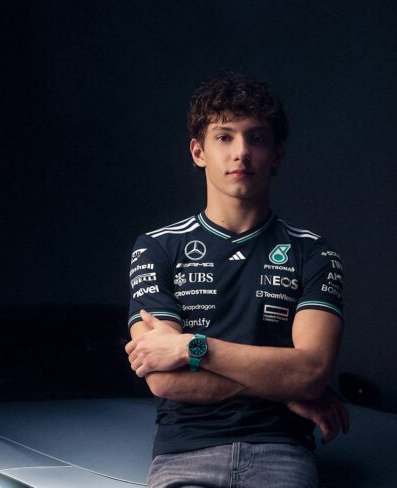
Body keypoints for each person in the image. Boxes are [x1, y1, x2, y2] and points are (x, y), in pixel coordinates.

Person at [125, 72, 348, 488]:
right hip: (184, 456)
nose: (241, 152)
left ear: (276, 154)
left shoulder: (313, 252)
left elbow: (312, 371)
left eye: (256, 138)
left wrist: (191, 346)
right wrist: (286, 389)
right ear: (199, 152)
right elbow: (164, 377)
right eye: (224, 137)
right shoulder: (157, 248)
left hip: (281, 454)